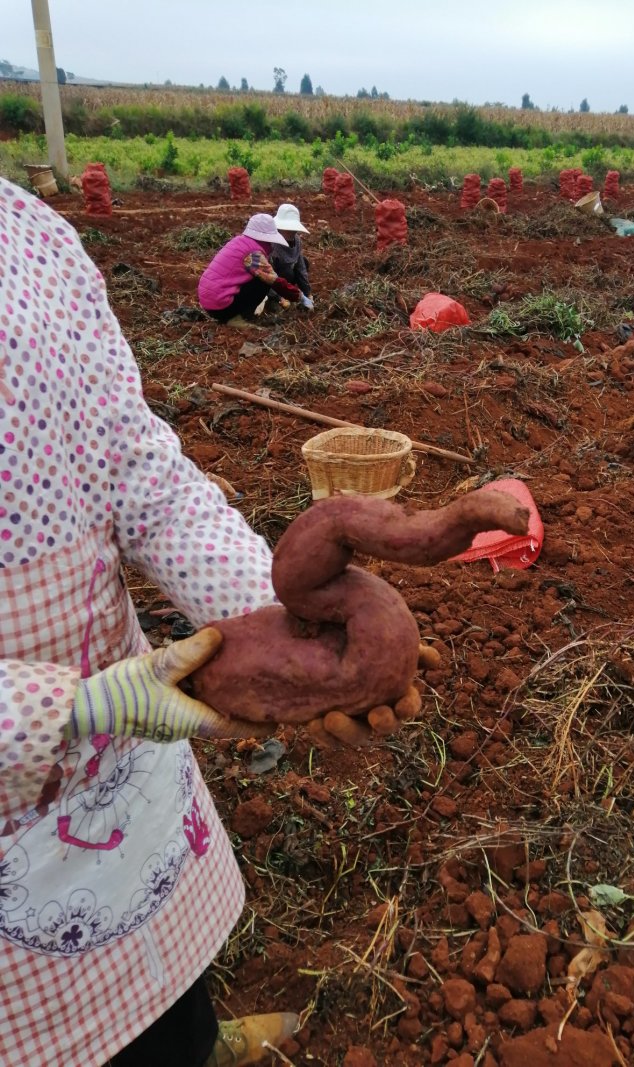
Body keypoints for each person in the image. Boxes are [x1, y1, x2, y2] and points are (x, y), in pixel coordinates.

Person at [0, 178, 410, 1067]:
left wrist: (266, 616)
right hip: (43, 755)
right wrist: (73, 708)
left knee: (159, 983)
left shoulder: (33, 238)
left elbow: (142, 471)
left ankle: (192, 1038)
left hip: (123, 736)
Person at [197, 213, 302, 327]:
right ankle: (238, 318)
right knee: (262, 281)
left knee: (257, 277)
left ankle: (233, 315)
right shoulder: (253, 254)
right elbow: (273, 280)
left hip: (209, 302)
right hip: (221, 305)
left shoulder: (240, 242)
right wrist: (299, 296)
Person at [270, 203, 314, 310]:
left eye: (293, 228)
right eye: (288, 228)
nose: (292, 232)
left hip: (286, 280)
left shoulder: (297, 241)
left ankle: (290, 293)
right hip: (270, 282)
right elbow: (266, 276)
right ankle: (274, 300)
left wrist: (308, 294)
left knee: (304, 261)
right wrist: (279, 298)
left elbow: (301, 268)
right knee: (287, 271)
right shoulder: (271, 244)